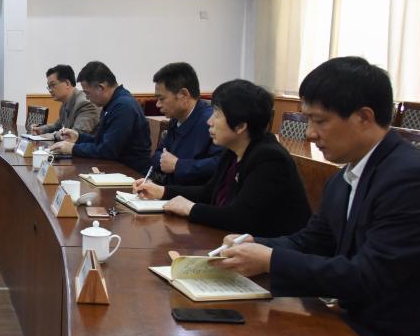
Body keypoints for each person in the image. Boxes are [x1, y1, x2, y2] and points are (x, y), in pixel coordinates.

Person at [212, 57, 420, 336]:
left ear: (364, 117)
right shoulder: (343, 178)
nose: (310, 133)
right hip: (351, 326)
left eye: (320, 121)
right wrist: (256, 244)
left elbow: (369, 276)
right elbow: (312, 240)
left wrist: (271, 260)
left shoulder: (410, 178)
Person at [133, 79, 311, 236]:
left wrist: (191, 208)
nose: (209, 121)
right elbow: (209, 192)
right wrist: (162, 191)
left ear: (240, 126)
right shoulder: (232, 150)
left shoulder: (269, 158)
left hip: (269, 252)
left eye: (217, 115)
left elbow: (239, 217)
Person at [52, 61, 151, 173]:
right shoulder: (112, 103)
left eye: (87, 93)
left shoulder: (123, 107)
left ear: (100, 87)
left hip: (131, 173)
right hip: (116, 168)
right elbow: (101, 141)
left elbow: (108, 150)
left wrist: (72, 148)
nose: (87, 98)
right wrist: (78, 138)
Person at [148, 62, 221, 185]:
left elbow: (220, 164)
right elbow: (158, 155)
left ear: (184, 95)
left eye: (161, 99)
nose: (157, 105)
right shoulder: (176, 118)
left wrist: (178, 165)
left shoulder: (212, 122)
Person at [31, 64, 99, 136]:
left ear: (67, 83)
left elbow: (76, 134)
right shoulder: (65, 103)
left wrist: (52, 136)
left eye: (53, 85)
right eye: (49, 86)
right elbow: (57, 125)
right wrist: (41, 130)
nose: (50, 90)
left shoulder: (84, 104)